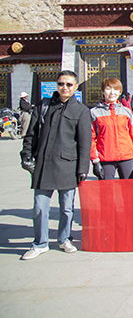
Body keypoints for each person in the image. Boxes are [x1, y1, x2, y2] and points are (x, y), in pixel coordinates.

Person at [20, 70, 91, 260]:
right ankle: (40, 243)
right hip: (44, 164)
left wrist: (82, 169)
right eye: (61, 84)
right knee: (39, 207)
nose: (64, 87)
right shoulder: (43, 106)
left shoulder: (81, 111)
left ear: (76, 87)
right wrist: (26, 155)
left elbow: (84, 143)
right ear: (56, 85)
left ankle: (64, 239)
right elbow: (31, 135)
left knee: (66, 208)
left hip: (68, 166)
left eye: (69, 84)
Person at [90, 78, 133, 180]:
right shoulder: (94, 112)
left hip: (126, 156)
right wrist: (95, 160)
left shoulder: (126, 111)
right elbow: (90, 138)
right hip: (105, 157)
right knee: (106, 189)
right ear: (103, 91)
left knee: (129, 188)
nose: (112, 92)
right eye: (108, 89)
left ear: (119, 92)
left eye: (115, 89)